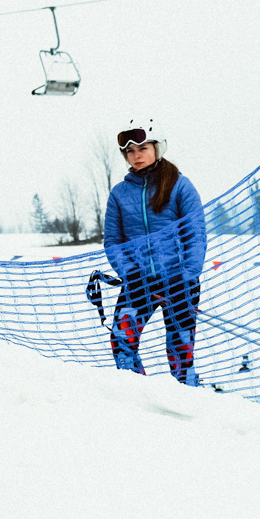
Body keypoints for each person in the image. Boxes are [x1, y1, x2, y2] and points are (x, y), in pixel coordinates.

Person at [102, 118, 206, 385]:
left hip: (179, 281)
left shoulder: (180, 185)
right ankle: (137, 393)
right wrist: (130, 273)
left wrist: (188, 275)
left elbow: (196, 235)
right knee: (121, 340)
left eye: (143, 149)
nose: (136, 156)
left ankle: (185, 394)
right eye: (130, 151)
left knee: (180, 348)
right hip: (139, 282)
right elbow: (113, 241)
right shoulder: (119, 194)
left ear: (158, 148)